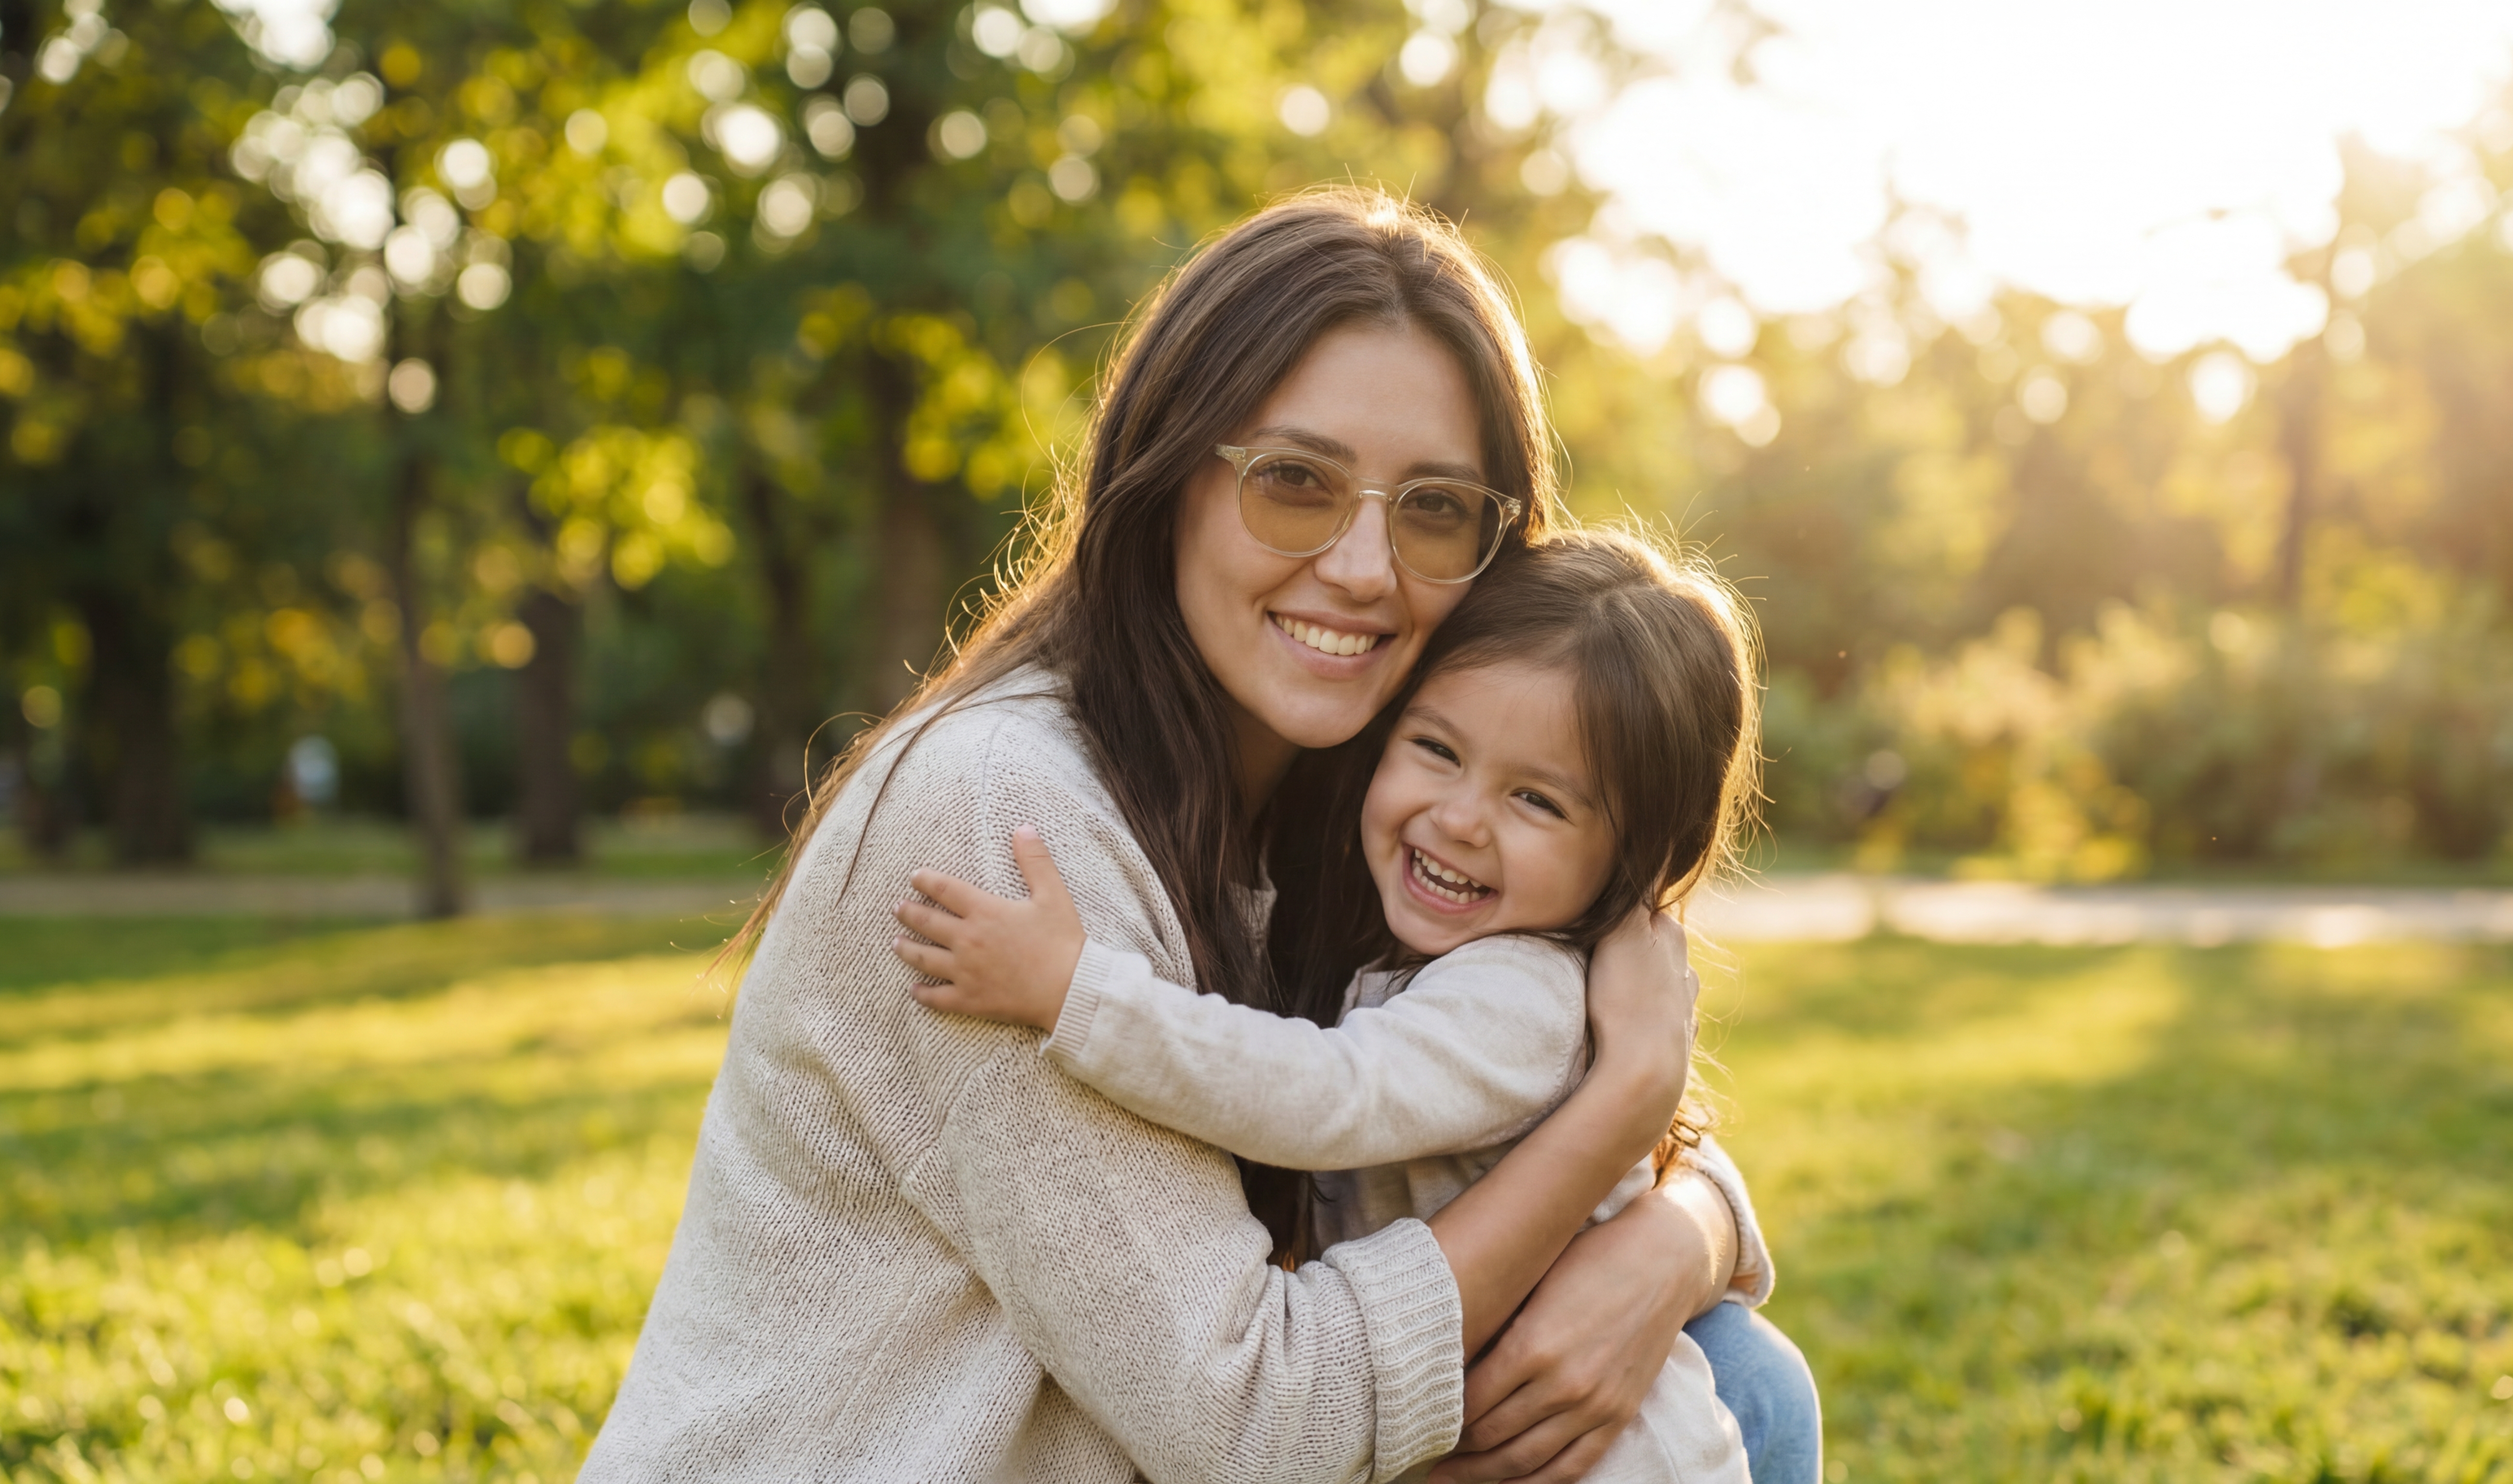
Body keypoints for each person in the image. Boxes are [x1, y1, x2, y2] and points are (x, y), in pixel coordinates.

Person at [580, 188, 1818, 1484]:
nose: (1361, 566)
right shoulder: (1010, 820)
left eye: (1435, 507)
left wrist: (1679, 1232)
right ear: (1169, 475)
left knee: (1745, 1384)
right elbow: (1260, 1427)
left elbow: (1472, 1093)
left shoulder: (1352, 802)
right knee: (1738, 1403)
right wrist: (1629, 1098)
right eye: (1294, 482)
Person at [893, 529, 1764, 1484]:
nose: (1461, 818)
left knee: (1767, 1380)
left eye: (1538, 801)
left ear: (1639, 860)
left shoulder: (1520, 993)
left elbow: (1324, 1092)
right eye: (1435, 749)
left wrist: (1074, 993)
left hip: (1613, 1464)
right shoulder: (1440, 953)